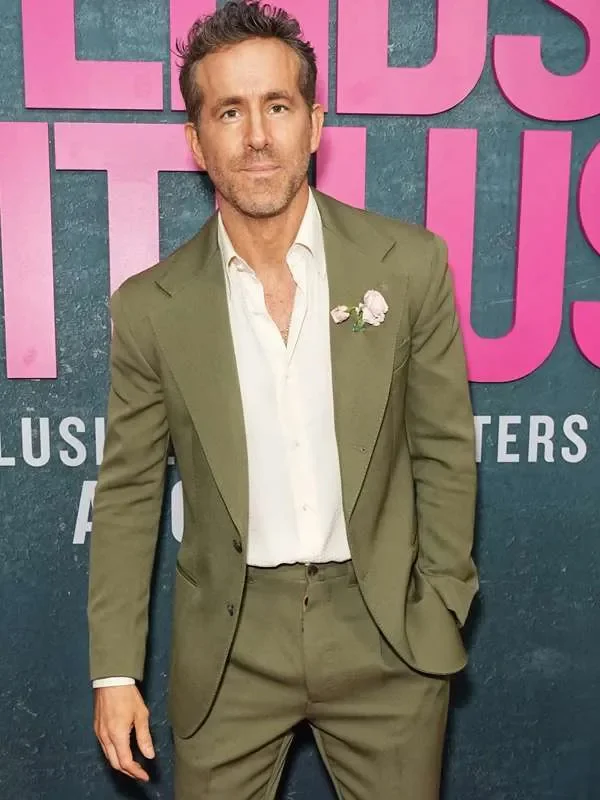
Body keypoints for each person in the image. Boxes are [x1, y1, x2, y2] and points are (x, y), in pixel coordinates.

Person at [88, 1, 478, 797]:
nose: (257, 136)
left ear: (314, 123)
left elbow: (444, 450)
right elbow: (128, 493)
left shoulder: (408, 266)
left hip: (386, 637)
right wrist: (115, 673)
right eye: (230, 111)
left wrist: (440, 601)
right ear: (197, 141)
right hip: (230, 650)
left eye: (278, 106)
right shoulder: (151, 306)